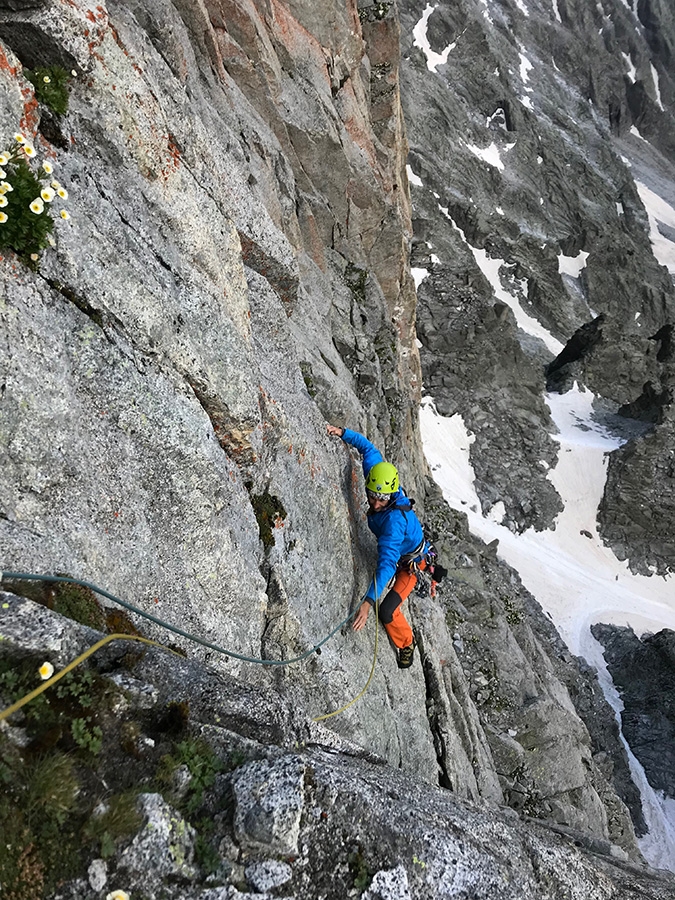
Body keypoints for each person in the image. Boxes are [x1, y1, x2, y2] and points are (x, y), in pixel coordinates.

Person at [327, 424, 427, 669]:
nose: (375, 502)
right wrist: (342, 433)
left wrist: (368, 601)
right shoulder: (379, 477)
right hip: (402, 553)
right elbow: (368, 448)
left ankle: (406, 644)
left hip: (410, 565)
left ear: (392, 495)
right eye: (372, 495)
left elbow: (387, 565)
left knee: (387, 611)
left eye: (381, 499)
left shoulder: (394, 524)